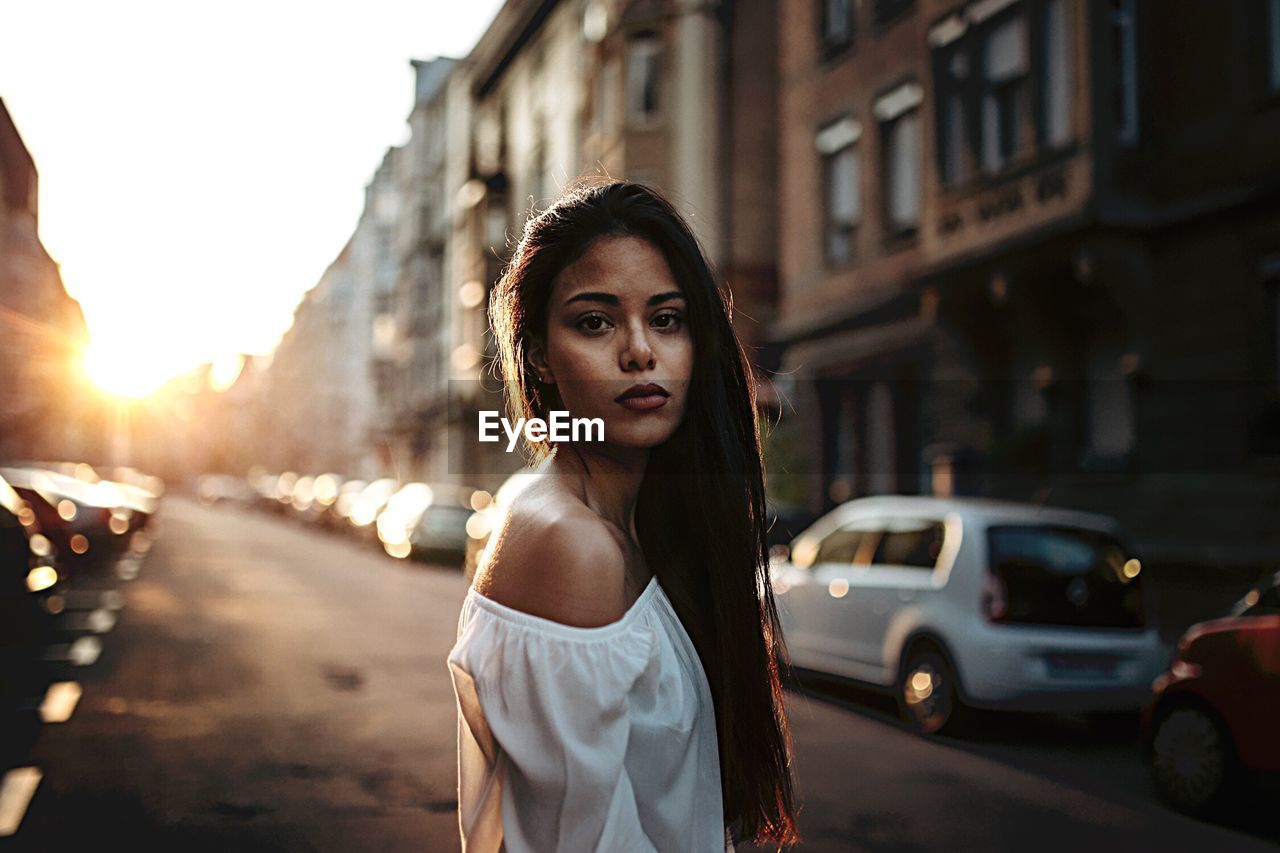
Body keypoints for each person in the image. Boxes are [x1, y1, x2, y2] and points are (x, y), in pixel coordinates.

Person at [447, 180, 800, 851]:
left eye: (667, 319)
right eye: (595, 321)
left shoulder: (627, 522)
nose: (640, 350)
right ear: (542, 357)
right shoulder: (569, 545)